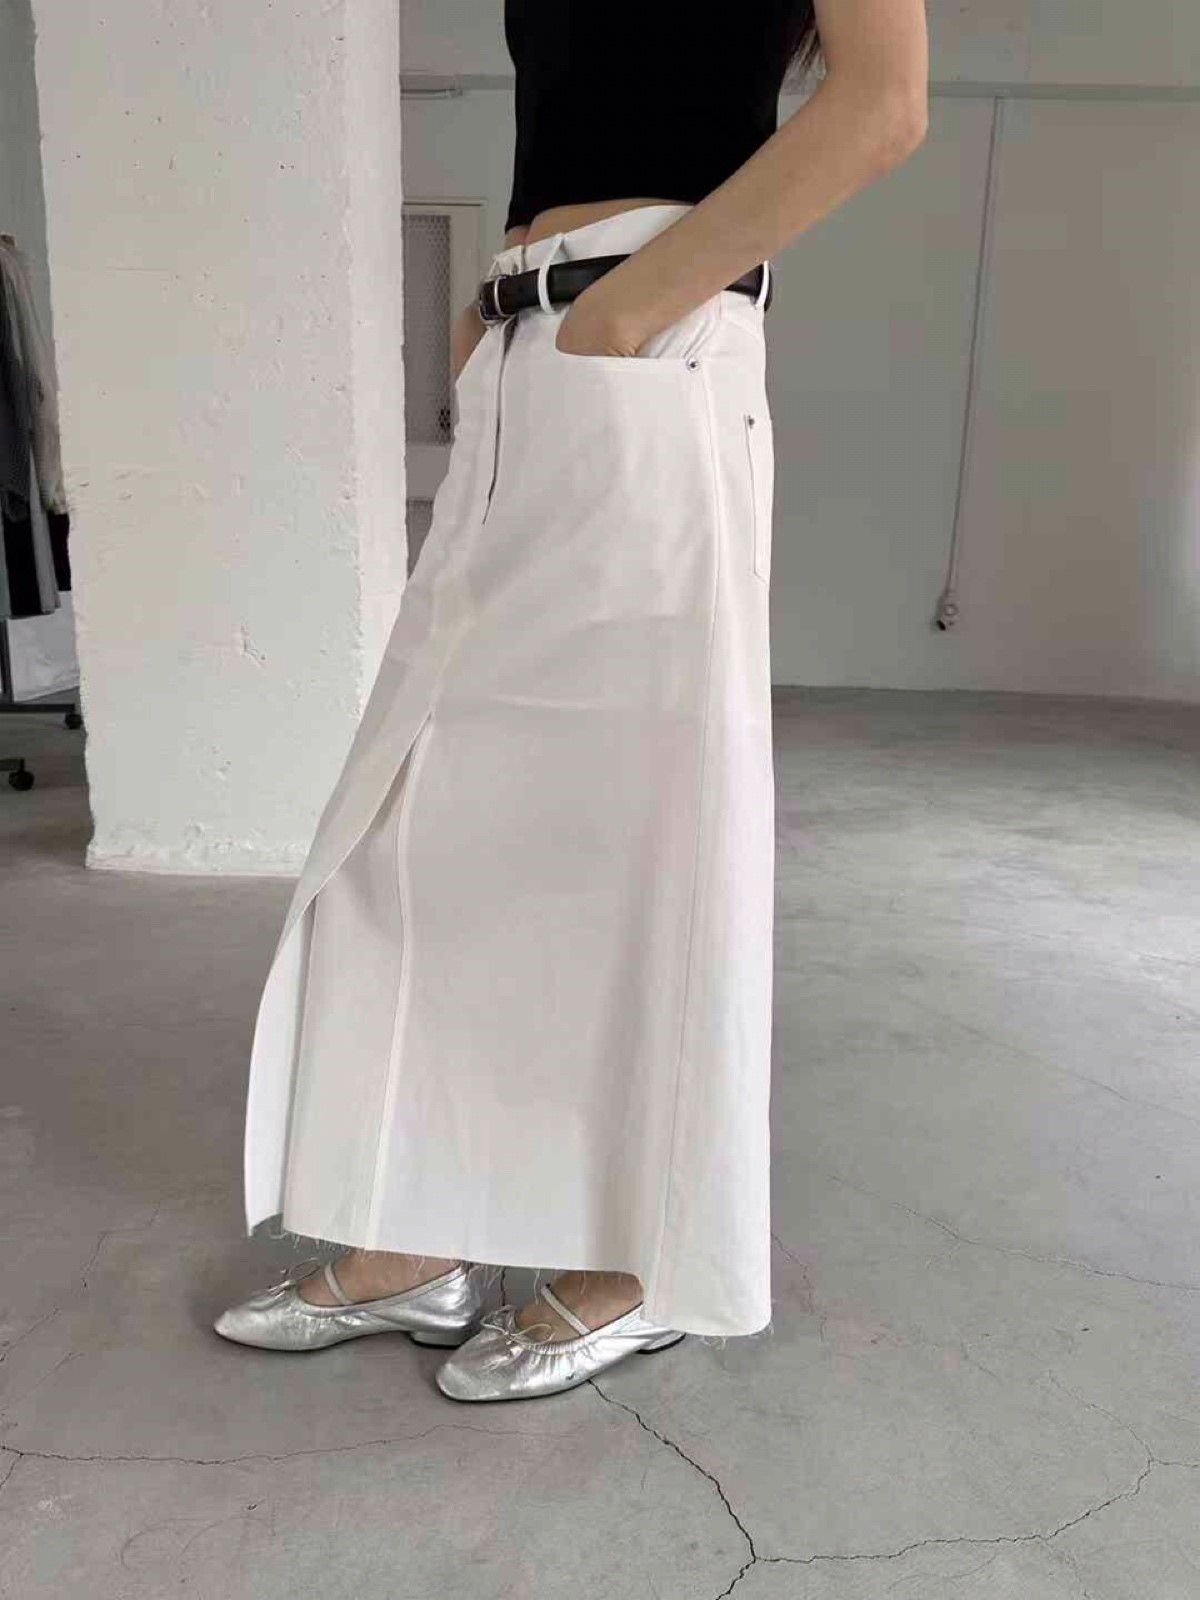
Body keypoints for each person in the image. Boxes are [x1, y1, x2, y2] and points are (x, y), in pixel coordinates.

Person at [214, 0, 928, 1402]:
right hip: (533, 347)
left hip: (644, 347)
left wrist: (625, 311)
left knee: (642, 832)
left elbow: (884, 102)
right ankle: (415, 1237)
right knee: (415, 822)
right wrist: (503, 319)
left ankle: (638, 1261)